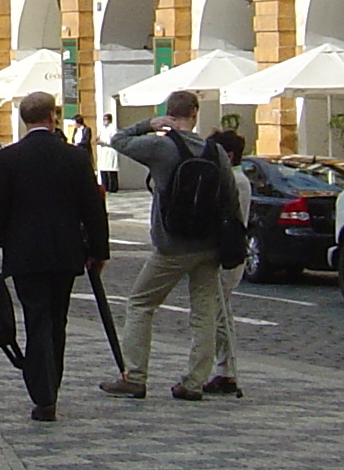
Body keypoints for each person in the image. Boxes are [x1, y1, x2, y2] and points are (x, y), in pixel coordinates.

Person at [103, 89, 247, 402]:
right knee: (204, 313)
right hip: (208, 245)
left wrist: (148, 124)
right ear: (195, 114)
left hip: (171, 245)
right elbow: (230, 198)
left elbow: (117, 140)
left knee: (141, 303)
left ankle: (135, 376)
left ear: (169, 113)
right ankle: (194, 382)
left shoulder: (160, 146)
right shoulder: (214, 151)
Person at [0, 90, 110, 422]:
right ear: (52, 116)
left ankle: (43, 393)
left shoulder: (6, 159)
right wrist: (99, 250)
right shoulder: (76, 158)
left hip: (24, 253)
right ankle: (52, 384)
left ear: (24, 120)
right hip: (65, 252)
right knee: (57, 319)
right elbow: (94, 208)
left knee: (36, 318)